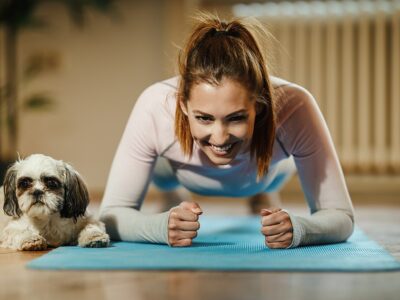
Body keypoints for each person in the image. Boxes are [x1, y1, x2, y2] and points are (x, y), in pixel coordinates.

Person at [99, 14, 355, 249]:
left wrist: (300, 229)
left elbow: (341, 215)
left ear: (259, 104)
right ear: (183, 105)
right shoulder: (155, 106)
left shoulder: (294, 106)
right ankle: (172, 192)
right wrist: (159, 226)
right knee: (159, 170)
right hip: (177, 172)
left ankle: (262, 192)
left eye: (236, 118)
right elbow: (111, 214)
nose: (220, 137)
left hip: (266, 174)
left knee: (269, 174)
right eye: (204, 118)